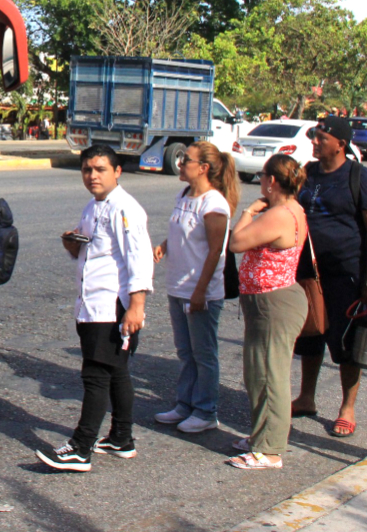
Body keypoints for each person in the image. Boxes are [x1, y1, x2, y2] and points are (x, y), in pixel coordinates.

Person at [36, 145, 152, 472]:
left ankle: (80, 448)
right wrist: (71, 242)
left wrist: (137, 306)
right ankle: (121, 438)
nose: (92, 176)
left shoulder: (126, 209)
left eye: (100, 169)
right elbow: (87, 250)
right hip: (91, 304)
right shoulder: (93, 206)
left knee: (96, 375)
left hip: (111, 306)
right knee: (116, 372)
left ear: (117, 172)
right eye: (87, 169)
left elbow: (139, 258)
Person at [291, 115, 367, 439]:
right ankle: (306, 397)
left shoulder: (361, 178)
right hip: (306, 272)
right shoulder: (307, 173)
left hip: (345, 274)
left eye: (321, 138)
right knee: (310, 334)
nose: (315, 142)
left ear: (340, 144)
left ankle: (347, 408)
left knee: (346, 343)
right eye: (314, 136)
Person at [227, 154, 309, 470]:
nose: (260, 181)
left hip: (274, 303)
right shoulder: (290, 210)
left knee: (270, 375)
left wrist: (249, 211)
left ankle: (270, 449)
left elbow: (236, 242)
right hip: (268, 302)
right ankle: (261, 437)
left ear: (271, 181)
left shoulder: (279, 215)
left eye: (263, 176)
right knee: (258, 373)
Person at [153, 141, 240, 434]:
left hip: (199, 290)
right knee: (185, 352)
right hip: (178, 286)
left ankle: (206, 410)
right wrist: (165, 246)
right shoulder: (184, 194)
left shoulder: (214, 203)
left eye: (186, 160)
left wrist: (201, 291)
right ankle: (185, 404)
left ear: (203, 168)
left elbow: (216, 251)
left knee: (204, 353)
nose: (180, 163)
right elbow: (185, 232)